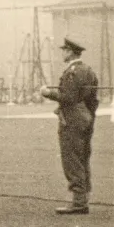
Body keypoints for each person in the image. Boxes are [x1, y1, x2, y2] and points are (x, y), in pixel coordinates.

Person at [40, 38, 98, 215]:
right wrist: (88, 116)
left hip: (72, 121)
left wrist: (48, 93)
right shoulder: (88, 70)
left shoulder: (72, 71)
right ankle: (83, 198)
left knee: (72, 160)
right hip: (85, 119)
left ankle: (79, 202)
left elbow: (69, 97)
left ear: (71, 52)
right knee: (82, 159)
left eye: (64, 50)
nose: (62, 53)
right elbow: (93, 100)